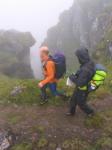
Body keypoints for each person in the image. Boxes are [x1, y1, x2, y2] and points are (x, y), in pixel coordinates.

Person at [66, 48, 95, 117]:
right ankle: (71, 112)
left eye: (78, 57)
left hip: (83, 88)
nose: (78, 59)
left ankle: (90, 112)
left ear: (81, 57)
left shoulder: (86, 69)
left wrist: (71, 77)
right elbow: (82, 71)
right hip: (82, 86)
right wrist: (77, 74)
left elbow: (80, 82)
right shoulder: (88, 62)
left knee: (80, 102)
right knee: (73, 99)